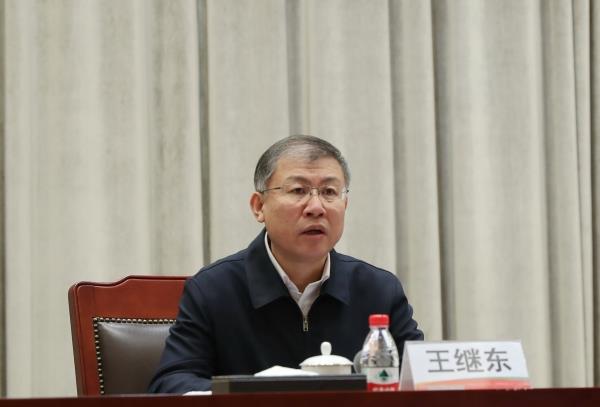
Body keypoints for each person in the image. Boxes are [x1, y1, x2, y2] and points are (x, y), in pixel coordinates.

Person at [148, 135, 423, 393]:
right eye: (298, 190)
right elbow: (173, 382)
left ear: (345, 204)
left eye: (329, 191)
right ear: (259, 206)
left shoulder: (379, 290)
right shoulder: (213, 289)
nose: (316, 207)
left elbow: (421, 380)